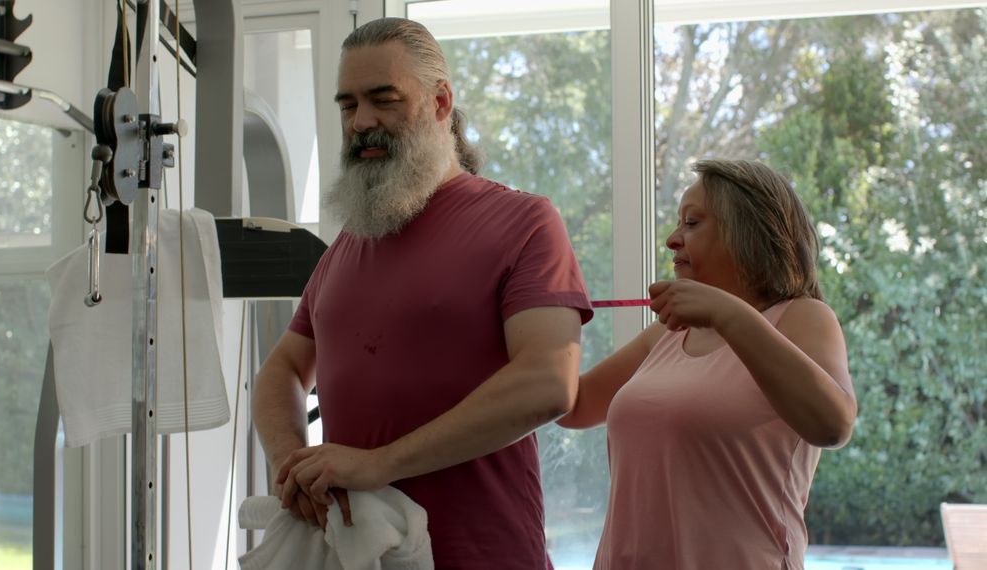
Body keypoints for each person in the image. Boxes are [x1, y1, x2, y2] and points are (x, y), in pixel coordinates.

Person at [251, 17, 593, 570]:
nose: (362, 122)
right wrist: (294, 464)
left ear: (439, 103)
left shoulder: (524, 222)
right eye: (347, 105)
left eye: (383, 100)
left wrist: (378, 463)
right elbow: (284, 369)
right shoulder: (346, 246)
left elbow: (549, 382)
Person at [558, 159, 858, 569]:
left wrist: (729, 313)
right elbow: (569, 404)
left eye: (692, 223)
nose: (671, 240)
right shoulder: (668, 334)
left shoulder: (802, 317)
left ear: (747, 230)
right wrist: (533, 320)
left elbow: (834, 425)